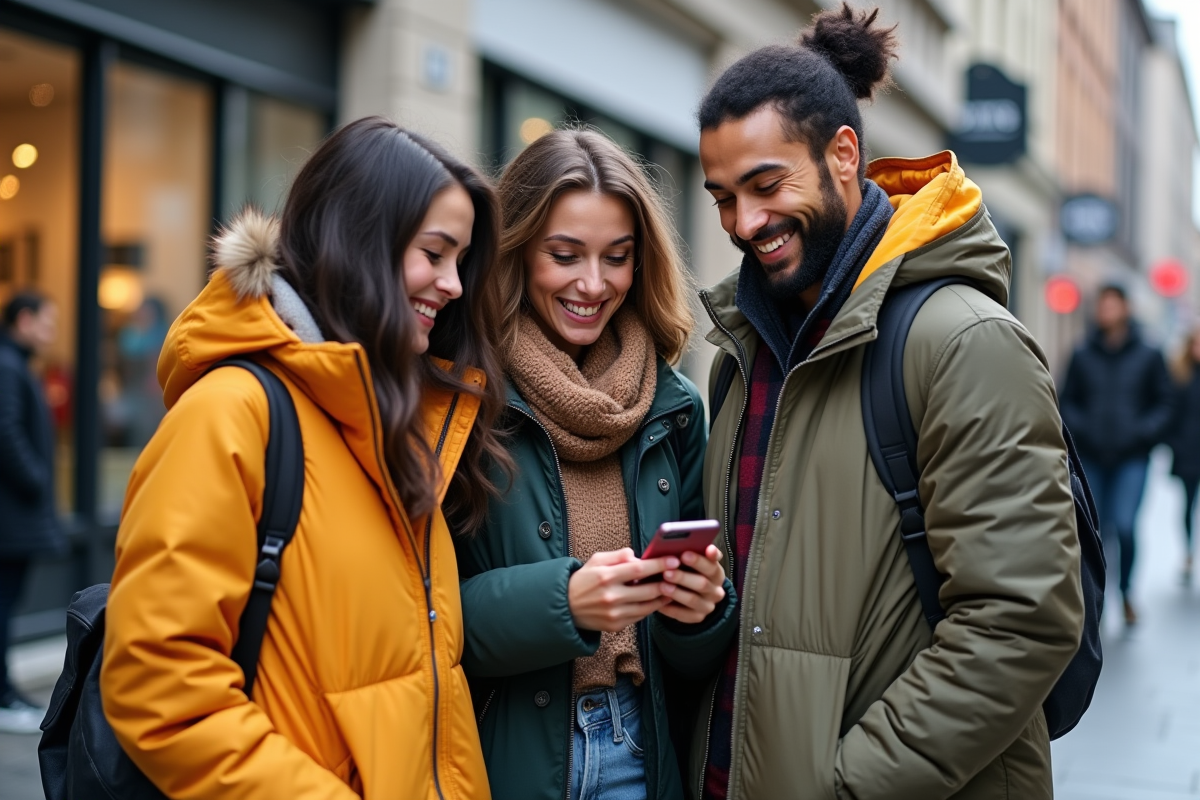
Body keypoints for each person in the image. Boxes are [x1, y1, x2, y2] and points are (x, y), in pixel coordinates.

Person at [695, 5, 1084, 799]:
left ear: (844, 155)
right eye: (723, 198)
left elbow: (1021, 621)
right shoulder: (742, 354)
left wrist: (845, 786)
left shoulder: (964, 340)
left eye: (767, 185)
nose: (746, 222)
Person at [100, 117, 508, 799]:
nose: (454, 285)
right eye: (435, 253)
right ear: (362, 241)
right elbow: (160, 685)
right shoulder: (232, 413)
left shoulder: (389, 429)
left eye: (460, 261)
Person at [454, 128, 737, 800]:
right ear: (517, 252)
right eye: (564, 255)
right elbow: (418, 620)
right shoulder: (461, 398)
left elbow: (690, 663)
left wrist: (698, 612)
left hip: (640, 751)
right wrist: (565, 602)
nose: (593, 283)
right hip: (506, 756)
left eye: (617, 257)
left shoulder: (673, 408)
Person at [1061, 284, 1174, 624]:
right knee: (1096, 530)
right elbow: (1067, 401)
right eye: (1102, 305)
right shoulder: (1082, 353)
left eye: (1113, 305)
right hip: (1092, 456)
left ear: (1126, 308)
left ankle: (1125, 592)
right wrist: (1083, 429)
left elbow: (1165, 403)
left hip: (1132, 458)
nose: (1106, 311)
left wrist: (1143, 433)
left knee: (1124, 526)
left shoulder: (1149, 353)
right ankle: (1093, 598)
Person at [0, 290, 66, 734]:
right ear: (24, 320)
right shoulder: (8, 366)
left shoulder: (15, 364)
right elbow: (4, 429)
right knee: (3, 605)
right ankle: (3, 694)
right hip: (11, 517)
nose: (51, 331)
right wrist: (36, 479)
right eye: (46, 321)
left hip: (15, 517)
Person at [1166, 324, 1200, 584]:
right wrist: (1174, 444)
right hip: (1189, 451)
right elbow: (1171, 413)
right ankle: (1188, 551)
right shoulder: (1181, 374)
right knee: (1188, 504)